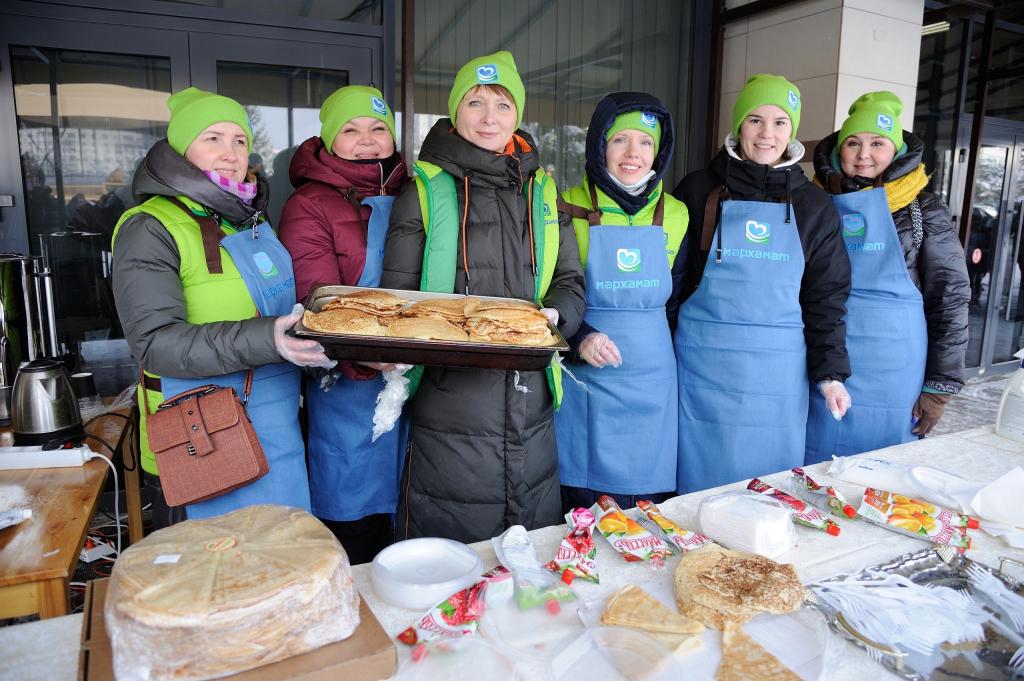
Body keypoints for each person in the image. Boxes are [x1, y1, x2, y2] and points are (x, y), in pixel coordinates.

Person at [381, 51, 586, 543]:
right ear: (456, 113)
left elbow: (571, 280)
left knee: (529, 557)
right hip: (450, 396)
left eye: (502, 104)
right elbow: (397, 299)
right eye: (475, 103)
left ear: (518, 115)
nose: (489, 118)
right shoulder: (425, 190)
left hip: (531, 393)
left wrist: (554, 317)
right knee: (452, 551)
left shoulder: (543, 190)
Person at [112, 87, 333, 528]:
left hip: (277, 428)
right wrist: (269, 337)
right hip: (203, 439)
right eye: (212, 138)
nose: (229, 153)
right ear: (181, 148)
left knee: (282, 562)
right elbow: (155, 343)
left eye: (239, 140)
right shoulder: (150, 227)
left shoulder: (249, 219)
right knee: (218, 577)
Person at [672, 74, 851, 494]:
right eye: (754, 119)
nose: (766, 133)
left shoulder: (813, 205)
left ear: (792, 133)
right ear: (737, 126)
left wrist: (830, 373)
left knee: (767, 493)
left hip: (777, 377)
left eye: (779, 122)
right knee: (695, 494)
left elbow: (826, 297)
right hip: (702, 370)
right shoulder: (698, 189)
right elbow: (673, 281)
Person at [278, 86, 409, 564]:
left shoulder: (414, 194)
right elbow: (314, 300)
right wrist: (366, 354)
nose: (367, 140)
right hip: (347, 382)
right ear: (330, 140)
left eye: (378, 129)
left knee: (408, 515)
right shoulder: (310, 203)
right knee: (355, 519)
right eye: (350, 130)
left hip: (415, 376)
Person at [804, 92, 969, 462]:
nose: (864, 154)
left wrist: (939, 388)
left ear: (895, 152)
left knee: (879, 474)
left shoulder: (922, 208)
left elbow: (950, 296)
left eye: (877, 143)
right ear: (838, 149)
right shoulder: (811, 202)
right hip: (821, 361)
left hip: (894, 372)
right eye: (854, 143)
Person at [556, 92, 688, 512]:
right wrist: (580, 338)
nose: (634, 154)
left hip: (654, 383)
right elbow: (547, 293)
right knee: (584, 509)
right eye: (620, 140)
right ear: (599, 145)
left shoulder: (678, 213)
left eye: (646, 142)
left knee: (648, 517)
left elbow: (679, 300)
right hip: (586, 380)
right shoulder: (565, 206)